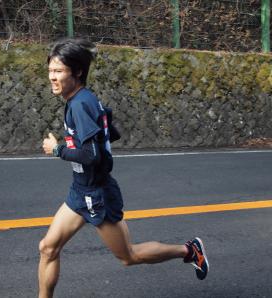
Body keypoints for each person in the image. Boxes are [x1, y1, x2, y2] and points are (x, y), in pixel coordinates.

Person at [39, 38, 209, 298]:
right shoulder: (82, 100)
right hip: (80, 190)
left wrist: (58, 149)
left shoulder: (81, 104)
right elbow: (109, 132)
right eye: (50, 70)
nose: (52, 76)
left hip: (97, 194)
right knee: (48, 248)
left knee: (129, 256)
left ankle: (189, 250)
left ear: (78, 72)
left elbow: (92, 154)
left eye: (58, 71)